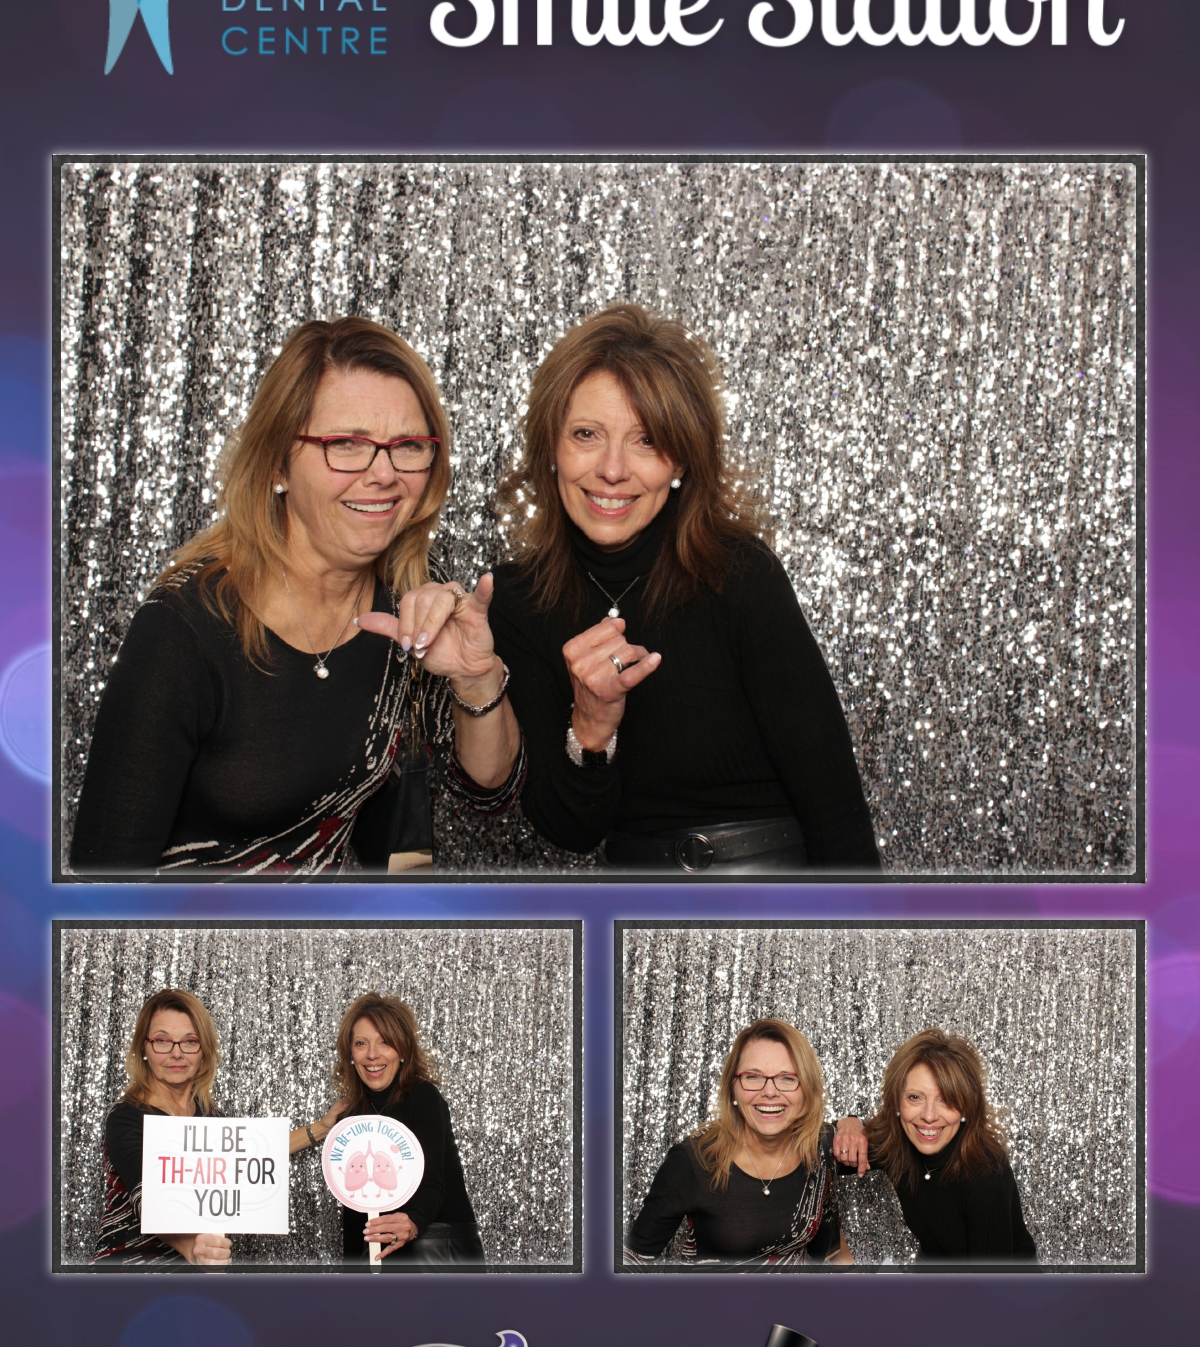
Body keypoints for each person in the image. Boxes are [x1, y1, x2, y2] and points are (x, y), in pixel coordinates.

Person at [70, 317, 523, 875]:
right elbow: (102, 885)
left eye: (407, 446)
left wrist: (476, 677)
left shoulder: (410, 592)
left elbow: (490, 789)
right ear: (278, 463)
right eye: (346, 444)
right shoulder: (184, 628)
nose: (384, 474)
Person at [480, 303, 879, 871]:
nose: (612, 470)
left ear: (682, 461)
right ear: (551, 447)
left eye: (646, 440)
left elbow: (835, 807)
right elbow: (568, 829)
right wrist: (591, 727)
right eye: (587, 434)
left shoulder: (738, 574)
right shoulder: (517, 599)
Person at [625, 1017, 856, 1266]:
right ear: (732, 1087)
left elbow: (890, 1141)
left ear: (807, 1089)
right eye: (752, 1076)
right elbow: (632, 1260)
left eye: (788, 1078)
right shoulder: (693, 1160)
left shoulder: (822, 1145)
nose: (769, 1092)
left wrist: (853, 1123)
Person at [293, 992, 484, 1265]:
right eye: (361, 1043)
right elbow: (355, 1205)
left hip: (435, 1254)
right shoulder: (350, 1113)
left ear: (402, 1050)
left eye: (385, 1042)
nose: (372, 1054)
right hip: (374, 1257)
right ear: (350, 1054)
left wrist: (413, 1221)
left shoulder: (423, 1097)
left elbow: (433, 1184)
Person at [846, 1027, 1037, 1261]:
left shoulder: (985, 1173)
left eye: (946, 1100)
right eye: (915, 1097)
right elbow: (818, 1151)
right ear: (896, 1101)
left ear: (966, 1106)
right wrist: (848, 1124)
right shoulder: (896, 1142)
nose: (929, 1116)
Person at [91, 989, 232, 1267]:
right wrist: (192, 1249)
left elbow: (258, 1153)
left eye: (190, 1041)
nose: (176, 1053)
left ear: (203, 1050)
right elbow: (150, 1200)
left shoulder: (212, 1118)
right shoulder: (126, 1116)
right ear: (144, 1048)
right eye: (162, 1041)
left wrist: (319, 1129)